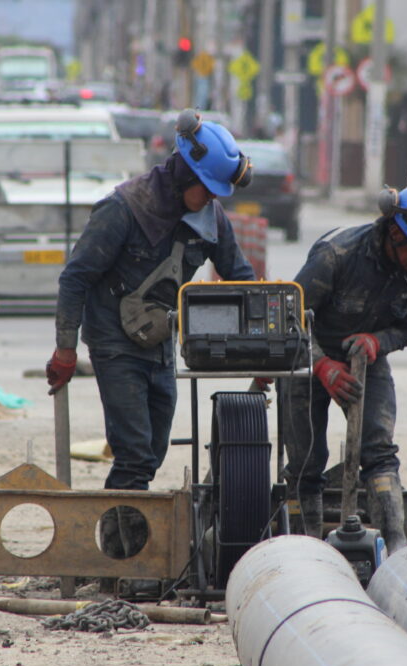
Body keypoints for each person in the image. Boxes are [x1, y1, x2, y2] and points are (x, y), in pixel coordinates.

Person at [46, 109, 256, 557]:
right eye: (206, 189)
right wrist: (65, 349)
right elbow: (75, 277)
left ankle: (127, 550)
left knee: (153, 453)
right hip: (113, 342)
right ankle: (123, 562)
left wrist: (265, 348)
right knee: (135, 455)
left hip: (160, 342)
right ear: (184, 173)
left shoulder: (210, 217)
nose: (210, 199)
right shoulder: (124, 207)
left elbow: (240, 278)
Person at [280, 172, 407, 553]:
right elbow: (287, 319)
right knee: (306, 462)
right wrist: (322, 365)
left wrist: (378, 341)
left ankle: (396, 547)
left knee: (378, 452)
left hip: (366, 360)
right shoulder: (337, 256)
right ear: (395, 232)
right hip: (304, 357)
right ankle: (304, 549)